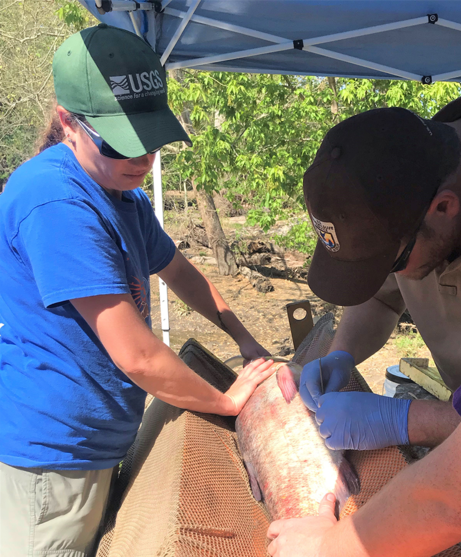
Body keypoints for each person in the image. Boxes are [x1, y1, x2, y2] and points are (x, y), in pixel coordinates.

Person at [0, 25, 279, 557]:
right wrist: (227, 400)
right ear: (68, 123)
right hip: (55, 455)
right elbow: (138, 357)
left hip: (98, 441)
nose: (143, 159)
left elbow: (180, 272)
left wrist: (246, 338)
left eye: (151, 139)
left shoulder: (121, 192)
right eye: (123, 143)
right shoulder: (56, 201)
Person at [265, 99, 461, 556]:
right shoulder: (404, 181)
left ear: (444, 207)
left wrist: (332, 547)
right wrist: (342, 352)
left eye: (389, 262)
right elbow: (379, 293)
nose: (387, 274)